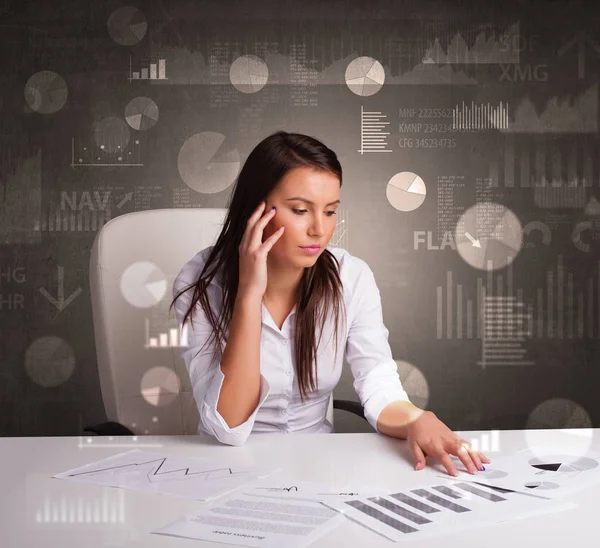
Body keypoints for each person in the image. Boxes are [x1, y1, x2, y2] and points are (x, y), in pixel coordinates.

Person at [170, 130, 490, 477]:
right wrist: (249, 294)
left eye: (330, 211)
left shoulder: (350, 278)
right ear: (256, 208)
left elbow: (378, 383)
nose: (319, 230)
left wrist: (416, 419)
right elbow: (226, 427)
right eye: (300, 210)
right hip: (223, 469)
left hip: (317, 469)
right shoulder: (200, 282)